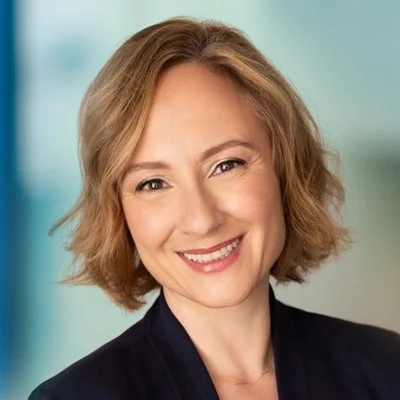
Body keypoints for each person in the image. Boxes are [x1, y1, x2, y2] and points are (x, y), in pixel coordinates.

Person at [29, 17, 400, 400]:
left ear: (284, 166)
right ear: (119, 213)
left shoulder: (387, 369)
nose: (202, 220)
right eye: (153, 183)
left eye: (226, 165)